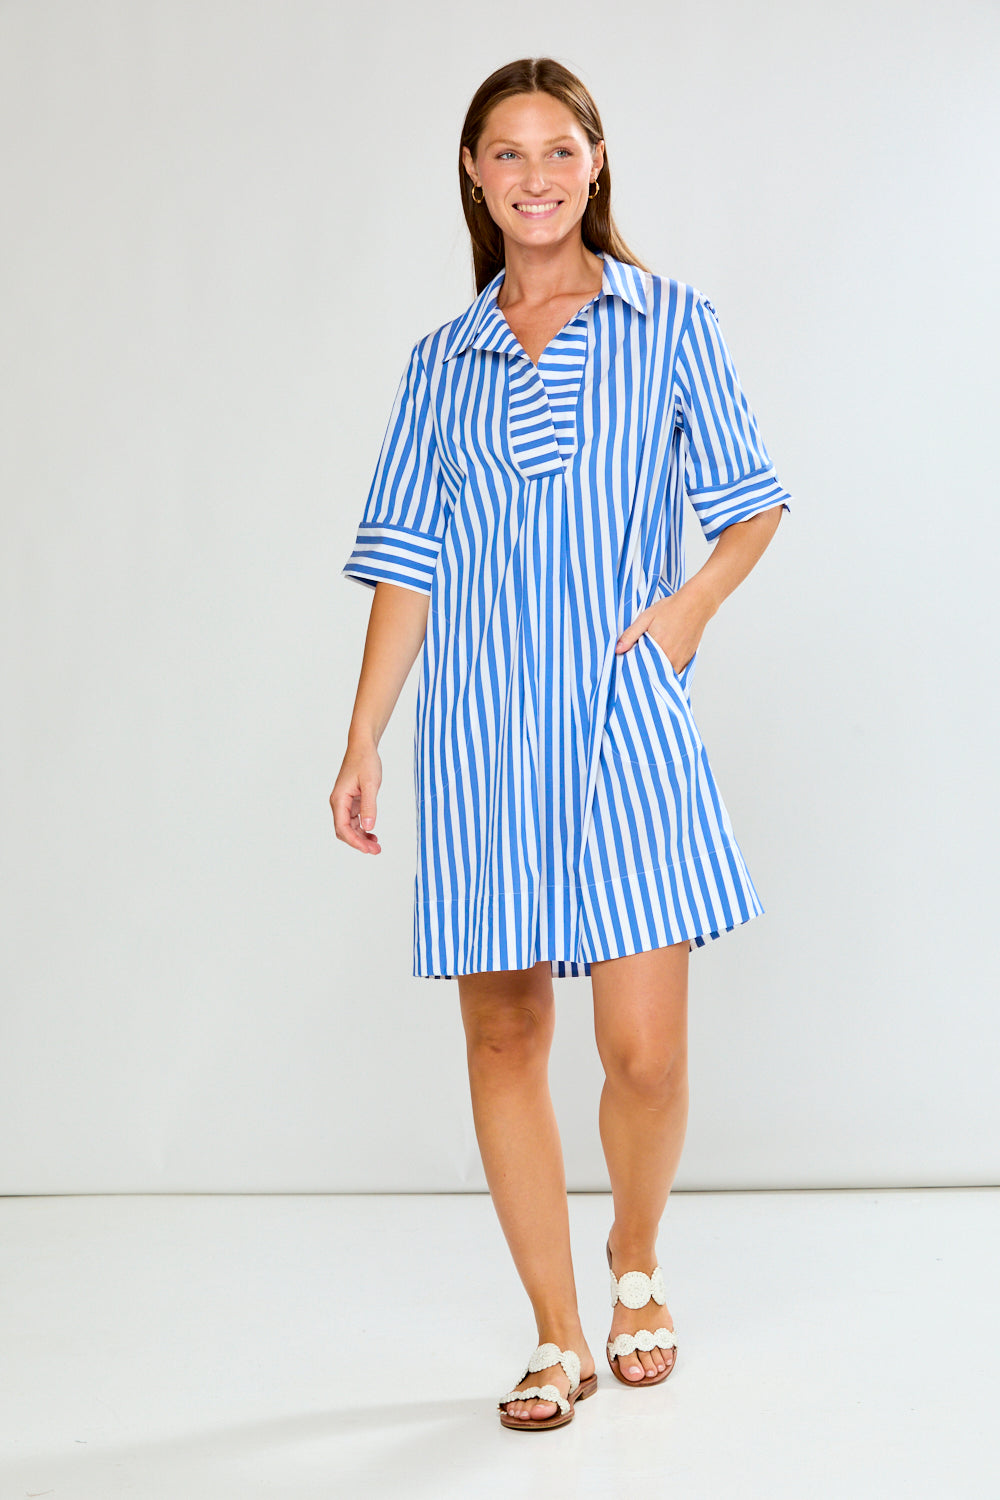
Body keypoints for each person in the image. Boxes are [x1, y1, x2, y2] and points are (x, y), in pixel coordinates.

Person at [330, 57, 791, 1432]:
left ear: (596, 163)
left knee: (642, 1050)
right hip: (478, 737)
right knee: (507, 1029)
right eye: (505, 153)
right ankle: (554, 1333)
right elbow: (407, 566)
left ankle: (635, 1258)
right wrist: (363, 739)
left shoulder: (670, 324)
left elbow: (753, 503)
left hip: (622, 717)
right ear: (474, 178)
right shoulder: (443, 360)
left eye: (557, 149)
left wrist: (684, 615)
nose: (534, 175)